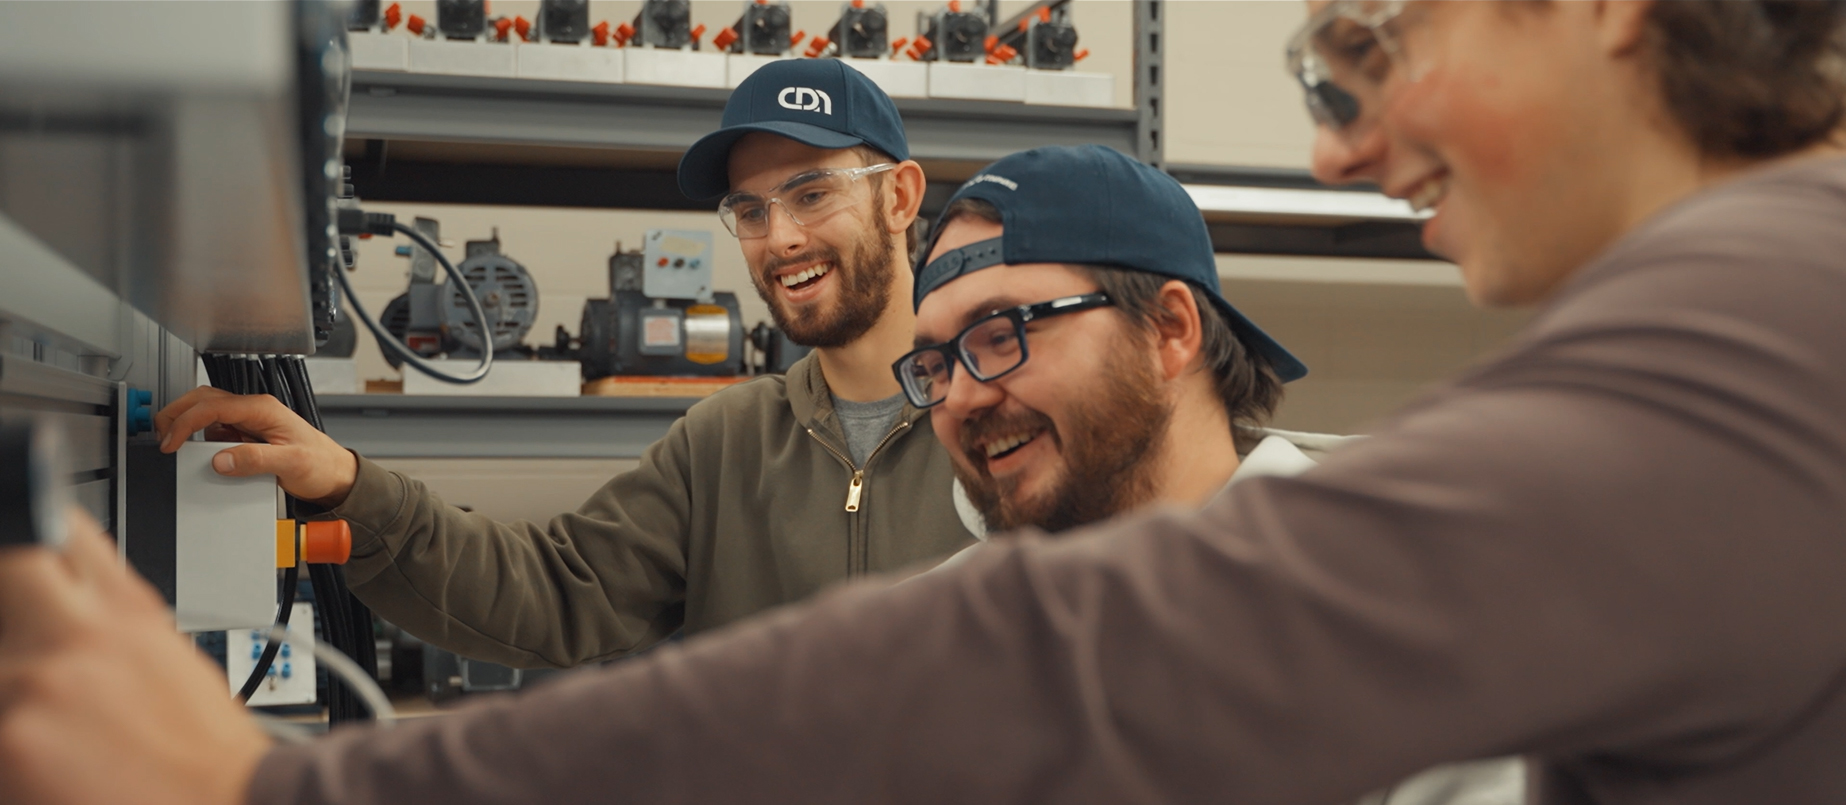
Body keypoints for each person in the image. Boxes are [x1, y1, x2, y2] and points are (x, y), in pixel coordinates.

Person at [9, 1, 1846, 803]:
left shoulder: (1763, 331)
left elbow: (1078, 666)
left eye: (1390, 35)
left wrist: (276, 792)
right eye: (946, 356)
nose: (1337, 145)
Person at [152, 58, 975, 669]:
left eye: (812, 193)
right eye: (751, 210)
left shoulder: (998, 421)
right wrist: (348, 486)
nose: (781, 237)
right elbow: (551, 590)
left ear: (899, 197)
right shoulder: (726, 442)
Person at [907, 144, 1516, 805]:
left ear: (1169, 330)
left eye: (1001, 335)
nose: (959, 398)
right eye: (936, 366)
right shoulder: (935, 637)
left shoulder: (1397, 611)